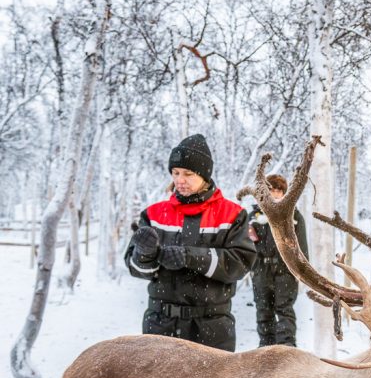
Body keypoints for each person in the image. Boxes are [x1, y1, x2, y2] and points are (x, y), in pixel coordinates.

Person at [125, 134, 256, 352]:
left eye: (188, 174)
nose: (179, 180)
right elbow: (136, 268)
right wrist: (144, 254)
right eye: (175, 173)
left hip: (211, 329)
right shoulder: (153, 214)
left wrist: (190, 256)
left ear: (204, 175)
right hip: (160, 326)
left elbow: (240, 264)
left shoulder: (232, 215)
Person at [248, 174, 308, 347]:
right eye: (271, 190)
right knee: (263, 309)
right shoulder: (254, 216)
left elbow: (302, 247)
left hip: (285, 270)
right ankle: (265, 349)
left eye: (278, 190)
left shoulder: (294, 216)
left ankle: (286, 350)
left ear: (284, 193)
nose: (275, 194)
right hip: (261, 270)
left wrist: (301, 272)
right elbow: (247, 246)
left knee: (284, 310)